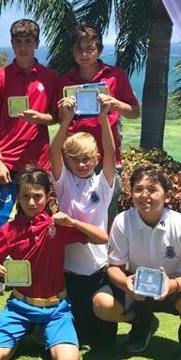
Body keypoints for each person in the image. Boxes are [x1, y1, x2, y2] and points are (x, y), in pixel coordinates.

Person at [0, 167, 108, 360]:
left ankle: (40, 331)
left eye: (37, 196)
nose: (31, 202)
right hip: (20, 306)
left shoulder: (57, 226)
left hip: (56, 308)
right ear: (18, 197)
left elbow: (102, 238)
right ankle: (28, 330)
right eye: (25, 196)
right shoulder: (9, 230)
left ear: (48, 196)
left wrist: (73, 221)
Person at [92, 164, 181, 360]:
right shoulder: (123, 221)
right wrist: (125, 284)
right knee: (101, 304)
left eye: (152, 189)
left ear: (166, 195)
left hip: (176, 287)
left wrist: (173, 285)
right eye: (138, 189)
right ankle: (142, 322)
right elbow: (114, 267)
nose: (144, 195)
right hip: (136, 287)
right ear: (131, 193)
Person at [0, 19, 59, 295]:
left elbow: (58, 117)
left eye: (28, 41)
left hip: (38, 162)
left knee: (39, 220)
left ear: (37, 44)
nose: (23, 47)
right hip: (7, 161)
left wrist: (43, 118)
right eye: (18, 41)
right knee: (0, 217)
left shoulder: (50, 78)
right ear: (12, 43)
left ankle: (36, 271)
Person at [51, 97, 117, 345]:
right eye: (75, 159)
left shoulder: (103, 183)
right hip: (68, 271)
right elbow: (53, 151)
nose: (81, 164)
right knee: (75, 334)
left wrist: (103, 120)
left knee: (104, 340)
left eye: (87, 159)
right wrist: (65, 120)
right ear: (68, 160)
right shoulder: (64, 183)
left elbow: (111, 153)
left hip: (98, 269)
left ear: (96, 158)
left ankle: (141, 322)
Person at [58, 24, 140, 222]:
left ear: (100, 50)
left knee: (106, 220)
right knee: (74, 217)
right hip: (75, 160)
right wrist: (63, 110)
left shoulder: (115, 75)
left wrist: (115, 103)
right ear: (72, 52)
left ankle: (105, 254)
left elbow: (134, 112)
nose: (84, 54)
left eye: (90, 49)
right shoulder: (65, 80)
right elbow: (60, 119)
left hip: (107, 160)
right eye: (79, 49)